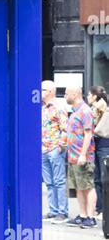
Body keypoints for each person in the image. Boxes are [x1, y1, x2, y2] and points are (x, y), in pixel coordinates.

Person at [65, 85, 97, 228]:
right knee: (79, 187)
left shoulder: (85, 111)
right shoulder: (74, 112)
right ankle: (82, 215)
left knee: (88, 186)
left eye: (66, 93)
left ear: (75, 94)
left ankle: (91, 217)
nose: (65, 96)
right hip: (72, 156)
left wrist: (83, 155)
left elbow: (88, 134)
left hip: (83, 156)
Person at [41, 80, 68, 223]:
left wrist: (60, 146)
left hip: (54, 149)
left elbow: (65, 128)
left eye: (42, 90)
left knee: (59, 181)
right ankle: (53, 210)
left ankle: (62, 212)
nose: (39, 92)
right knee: (49, 182)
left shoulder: (59, 107)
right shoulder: (41, 107)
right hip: (43, 149)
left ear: (50, 91)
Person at [87, 85, 109, 220]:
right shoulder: (94, 110)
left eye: (89, 95)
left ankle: (103, 210)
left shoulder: (104, 109)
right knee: (96, 179)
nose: (88, 97)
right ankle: (100, 208)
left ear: (95, 96)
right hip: (95, 146)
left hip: (104, 146)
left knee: (103, 178)